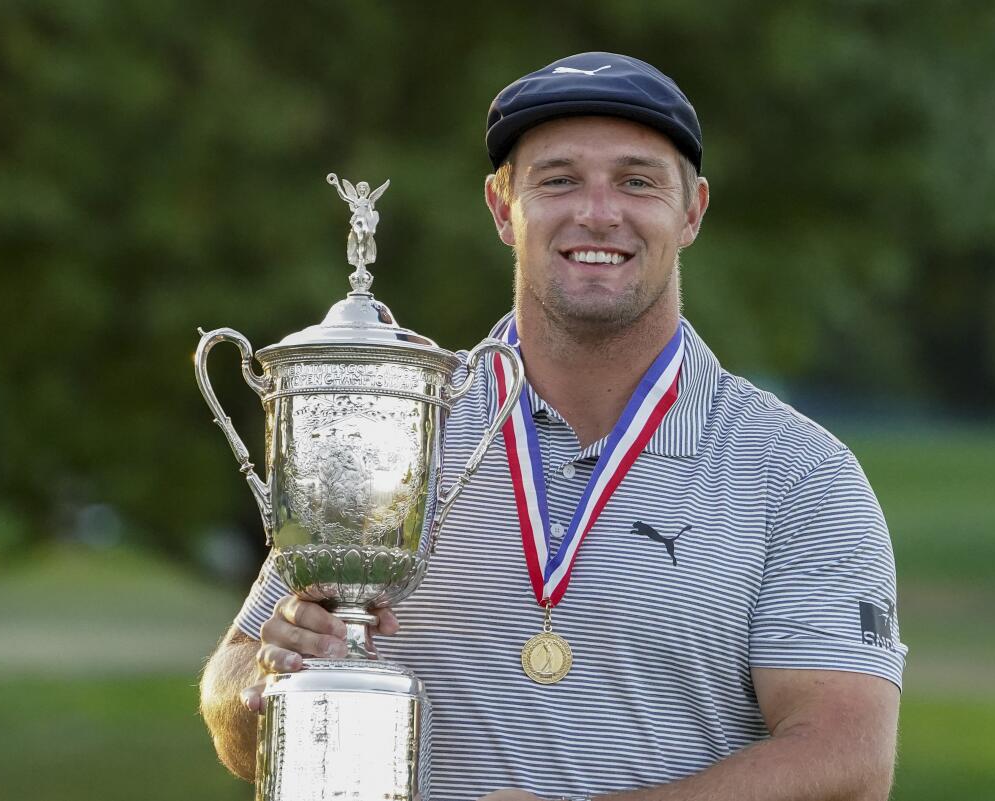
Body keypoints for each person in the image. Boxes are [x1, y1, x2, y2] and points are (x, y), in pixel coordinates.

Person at [200, 51, 907, 801]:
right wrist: (267, 671)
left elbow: (847, 760)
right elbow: (234, 708)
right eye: (559, 179)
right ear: (503, 208)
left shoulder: (797, 472)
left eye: (637, 181)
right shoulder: (395, 421)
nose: (597, 212)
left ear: (693, 210)